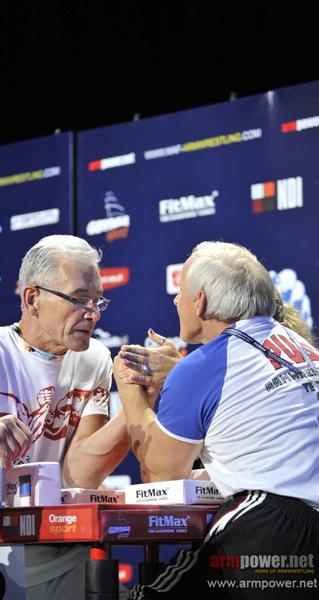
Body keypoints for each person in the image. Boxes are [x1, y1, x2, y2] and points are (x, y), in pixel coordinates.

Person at [0, 235, 131, 600]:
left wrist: (138, 405)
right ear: (32, 298)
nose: (93, 313)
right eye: (80, 299)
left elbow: (79, 474)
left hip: (63, 552)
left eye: (98, 301)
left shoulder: (95, 357)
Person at [114, 241, 319, 599]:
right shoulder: (303, 348)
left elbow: (161, 474)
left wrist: (129, 387)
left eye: (181, 292)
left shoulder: (206, 365)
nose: (176, 301)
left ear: (201, 301)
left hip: (273, 528)